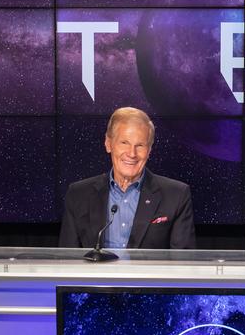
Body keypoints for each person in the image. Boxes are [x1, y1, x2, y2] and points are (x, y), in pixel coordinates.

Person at [59, 107, 195, 249]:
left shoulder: (176, 195)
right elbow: (67, 257)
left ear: (149, 150)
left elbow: (184, 259)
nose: (132, 153)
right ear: (108, 144)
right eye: (124, 143)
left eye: (140, 145)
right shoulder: (78, 194)